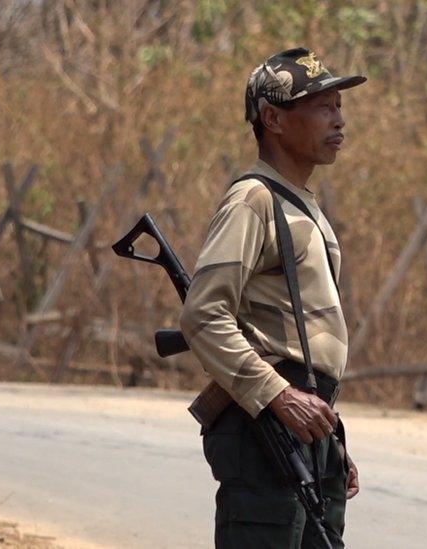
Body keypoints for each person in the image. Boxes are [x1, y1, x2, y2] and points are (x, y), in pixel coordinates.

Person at [179, 47, 365, 548]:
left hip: (304, 423)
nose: (339, 120)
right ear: (274, 119)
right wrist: (278, 395)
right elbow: (203, 315)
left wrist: (329, 435)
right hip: (265, 423)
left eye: (340, 107)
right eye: (323, 106)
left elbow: (302, 336)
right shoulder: (253, 200)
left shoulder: (303, 204)